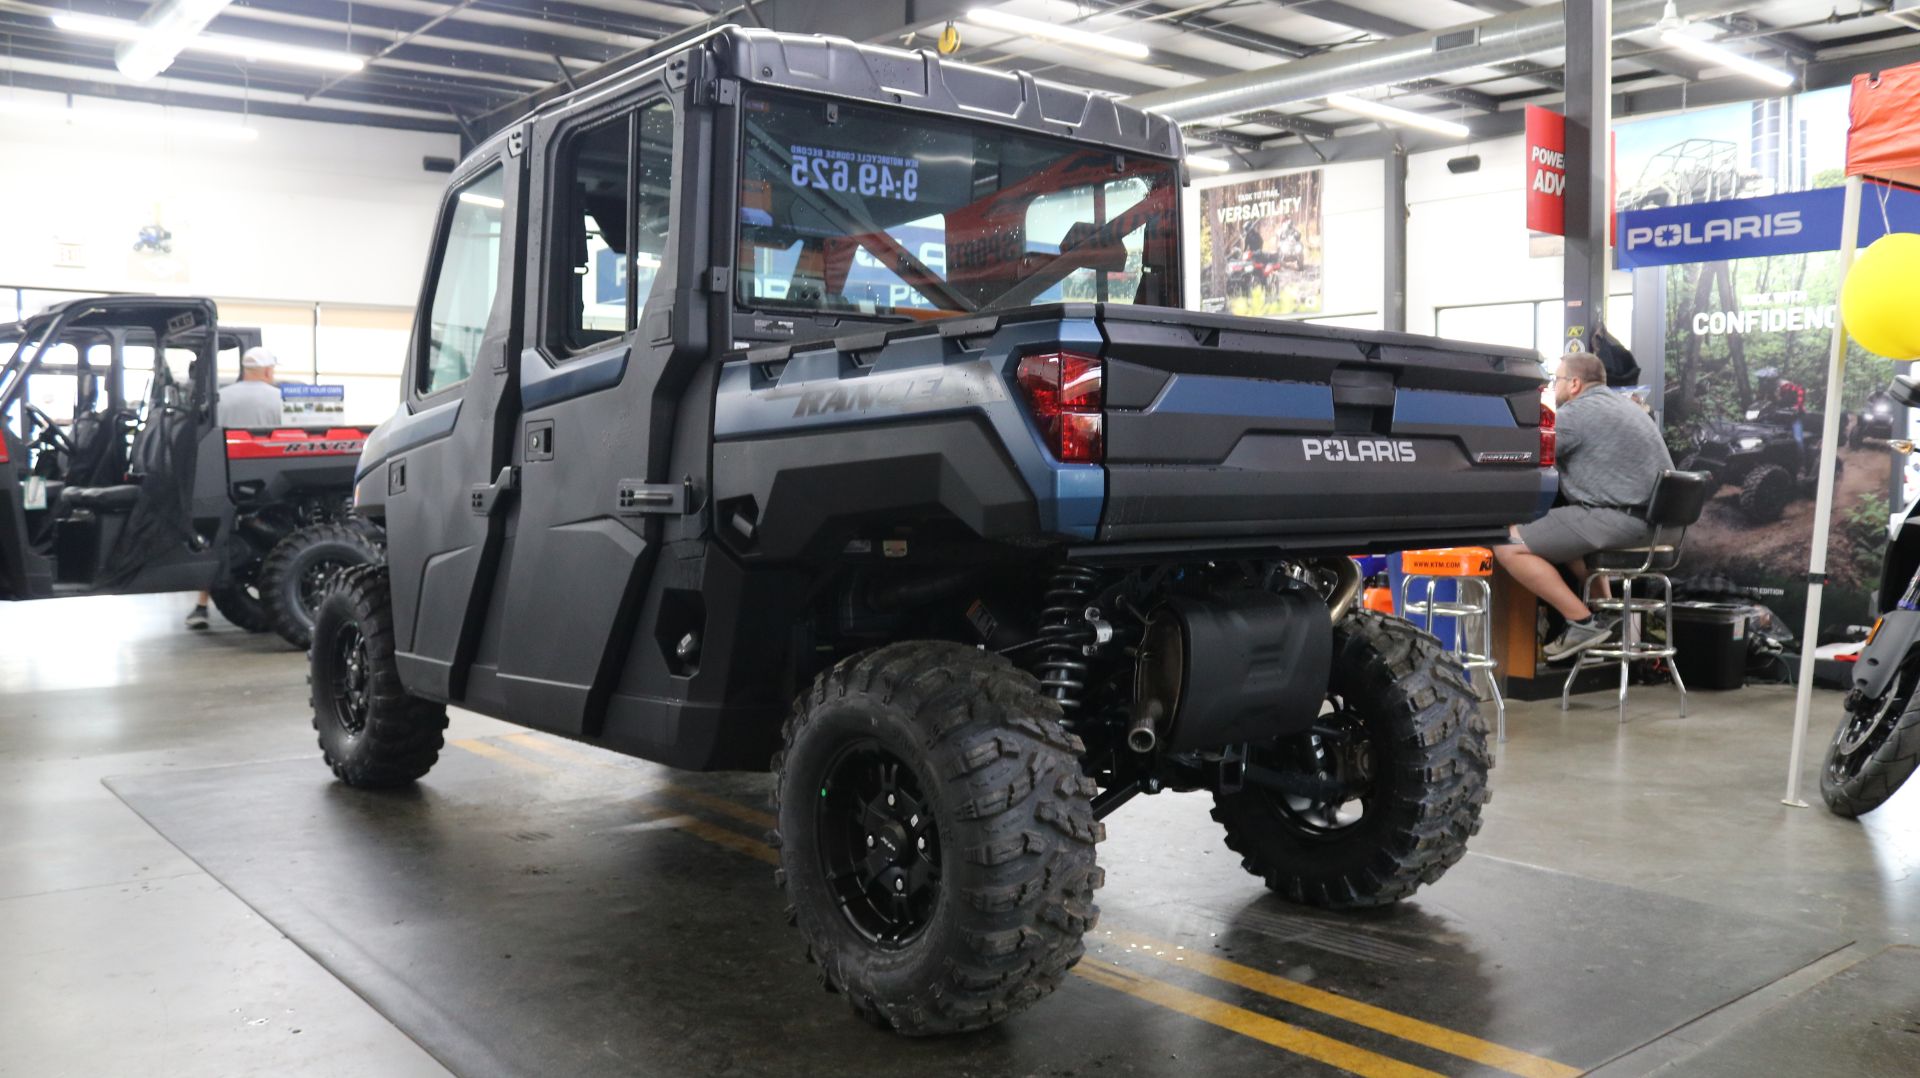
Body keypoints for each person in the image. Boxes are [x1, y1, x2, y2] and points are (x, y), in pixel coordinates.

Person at [1492, 351, 1674, 661]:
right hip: (1662, 526)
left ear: (1575, 383)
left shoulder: (1578, 414)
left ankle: (1581, 622)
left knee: (1507, 545)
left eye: (1557, 380)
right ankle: (1607, 614)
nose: (1554, 387)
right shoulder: (1627, 406)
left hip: (1623, 521)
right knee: (1567, 537)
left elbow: (1525, 451)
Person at [187, 347, 284, 630]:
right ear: (267, 371)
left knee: (214, 540)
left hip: (226, 484)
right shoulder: (279, 399)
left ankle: (201, 607)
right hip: (270, 484)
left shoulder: (222, 398)